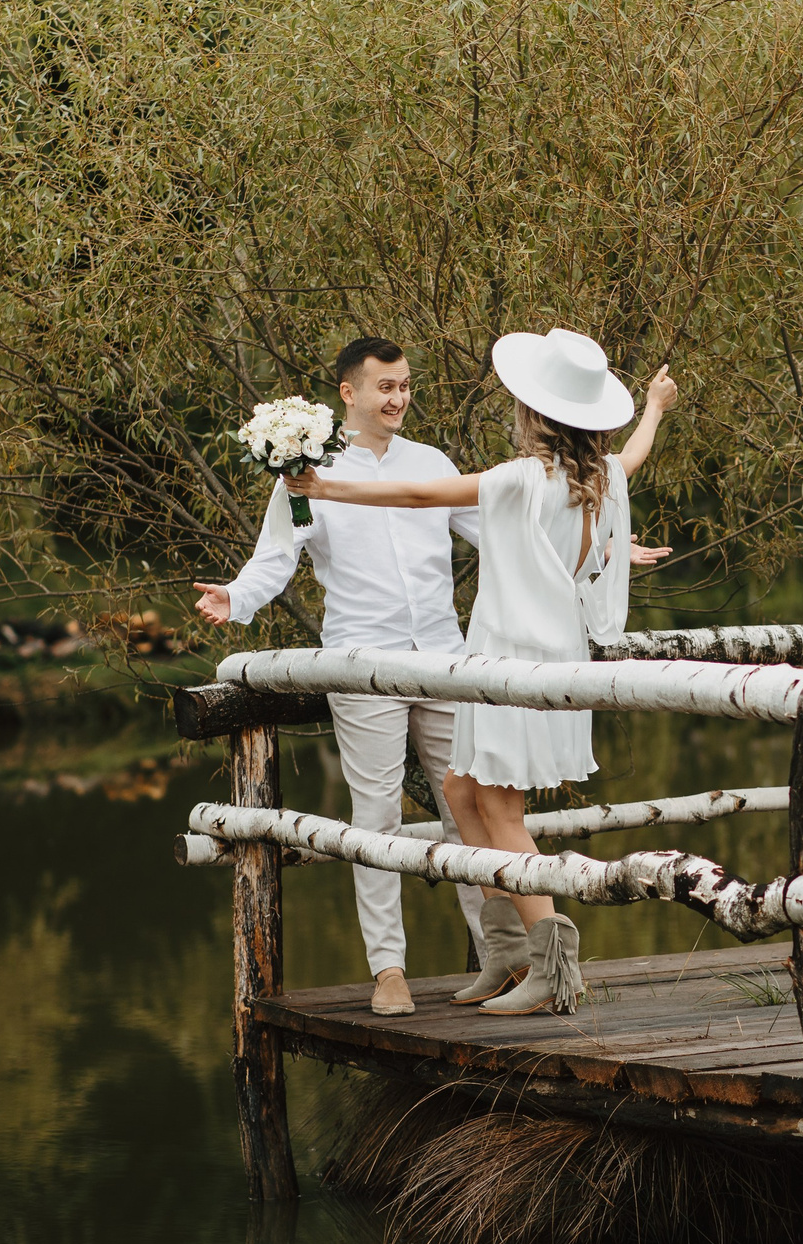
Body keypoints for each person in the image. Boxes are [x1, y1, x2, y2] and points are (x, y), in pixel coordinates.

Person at [290, 328, 679, 1015]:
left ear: (537, 415)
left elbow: (416, 496)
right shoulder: (599, 476)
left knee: (499, 807)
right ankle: (503, 952)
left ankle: (551, 964)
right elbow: (636, 454)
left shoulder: (518, 479)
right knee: (460, 790)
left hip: (510, 659)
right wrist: (654, 406)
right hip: (535, 658)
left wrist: (329, 486)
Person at [190, 336, 491, 1019]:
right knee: (378, 819)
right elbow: (275, 557)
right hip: (362, 665)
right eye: (386, 386)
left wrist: (607, 555)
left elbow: (504, 531)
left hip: (444, 659)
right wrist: (236, 598)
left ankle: (498, 955)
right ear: (348, 393)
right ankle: (389, 969)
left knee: (466, 809)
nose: (400, 397)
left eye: (407, 384)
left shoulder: (431, 463)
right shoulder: (305, 474)